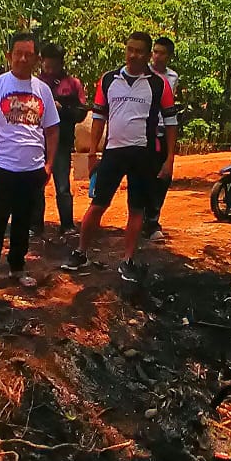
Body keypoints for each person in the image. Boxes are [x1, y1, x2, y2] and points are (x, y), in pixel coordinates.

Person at [62, 31, 177, 283]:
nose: (133, 55)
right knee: (98, 204)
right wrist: (92, 152)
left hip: (144, 154)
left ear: (147, 55)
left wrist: (169, 159)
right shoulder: (108, 80)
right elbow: (98, 117)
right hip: (113, 153)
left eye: (139, 51)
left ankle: (127, 260)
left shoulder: (159, 84)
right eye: (130, 49)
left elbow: (170, 122)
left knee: (136, 208)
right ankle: (81, 252)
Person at [0, 31, 59, 296]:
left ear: (36, 59)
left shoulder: (42, 90)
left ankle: (17, 268)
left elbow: (52, 129)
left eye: (28, 55)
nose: (22, 59)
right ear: (9, 55)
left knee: (23, 222)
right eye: (18, 54)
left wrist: (49, 165)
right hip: (3, 168)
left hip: (33, 170)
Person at [31, 43, 88, 238]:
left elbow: (81, 113)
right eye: (47, 66)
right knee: (36, 184)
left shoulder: (73, 84)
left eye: (53, 66)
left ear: (61, 63)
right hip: (37, 142)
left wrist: (62, 109)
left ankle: (67, 225)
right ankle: (35, 226)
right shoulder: (34, 84)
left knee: (62, 185)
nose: (49, 70)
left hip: (62, 142)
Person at [143, 35, 179, 242]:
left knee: (163, 176)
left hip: (164, 130)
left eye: (162, 53)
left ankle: (152, 219)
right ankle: (143, 219)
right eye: (155, 52)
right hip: (144, 130)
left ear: (169, 56)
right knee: (144, 175)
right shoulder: (143, 73)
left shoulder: (172, 77)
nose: (157, 56)